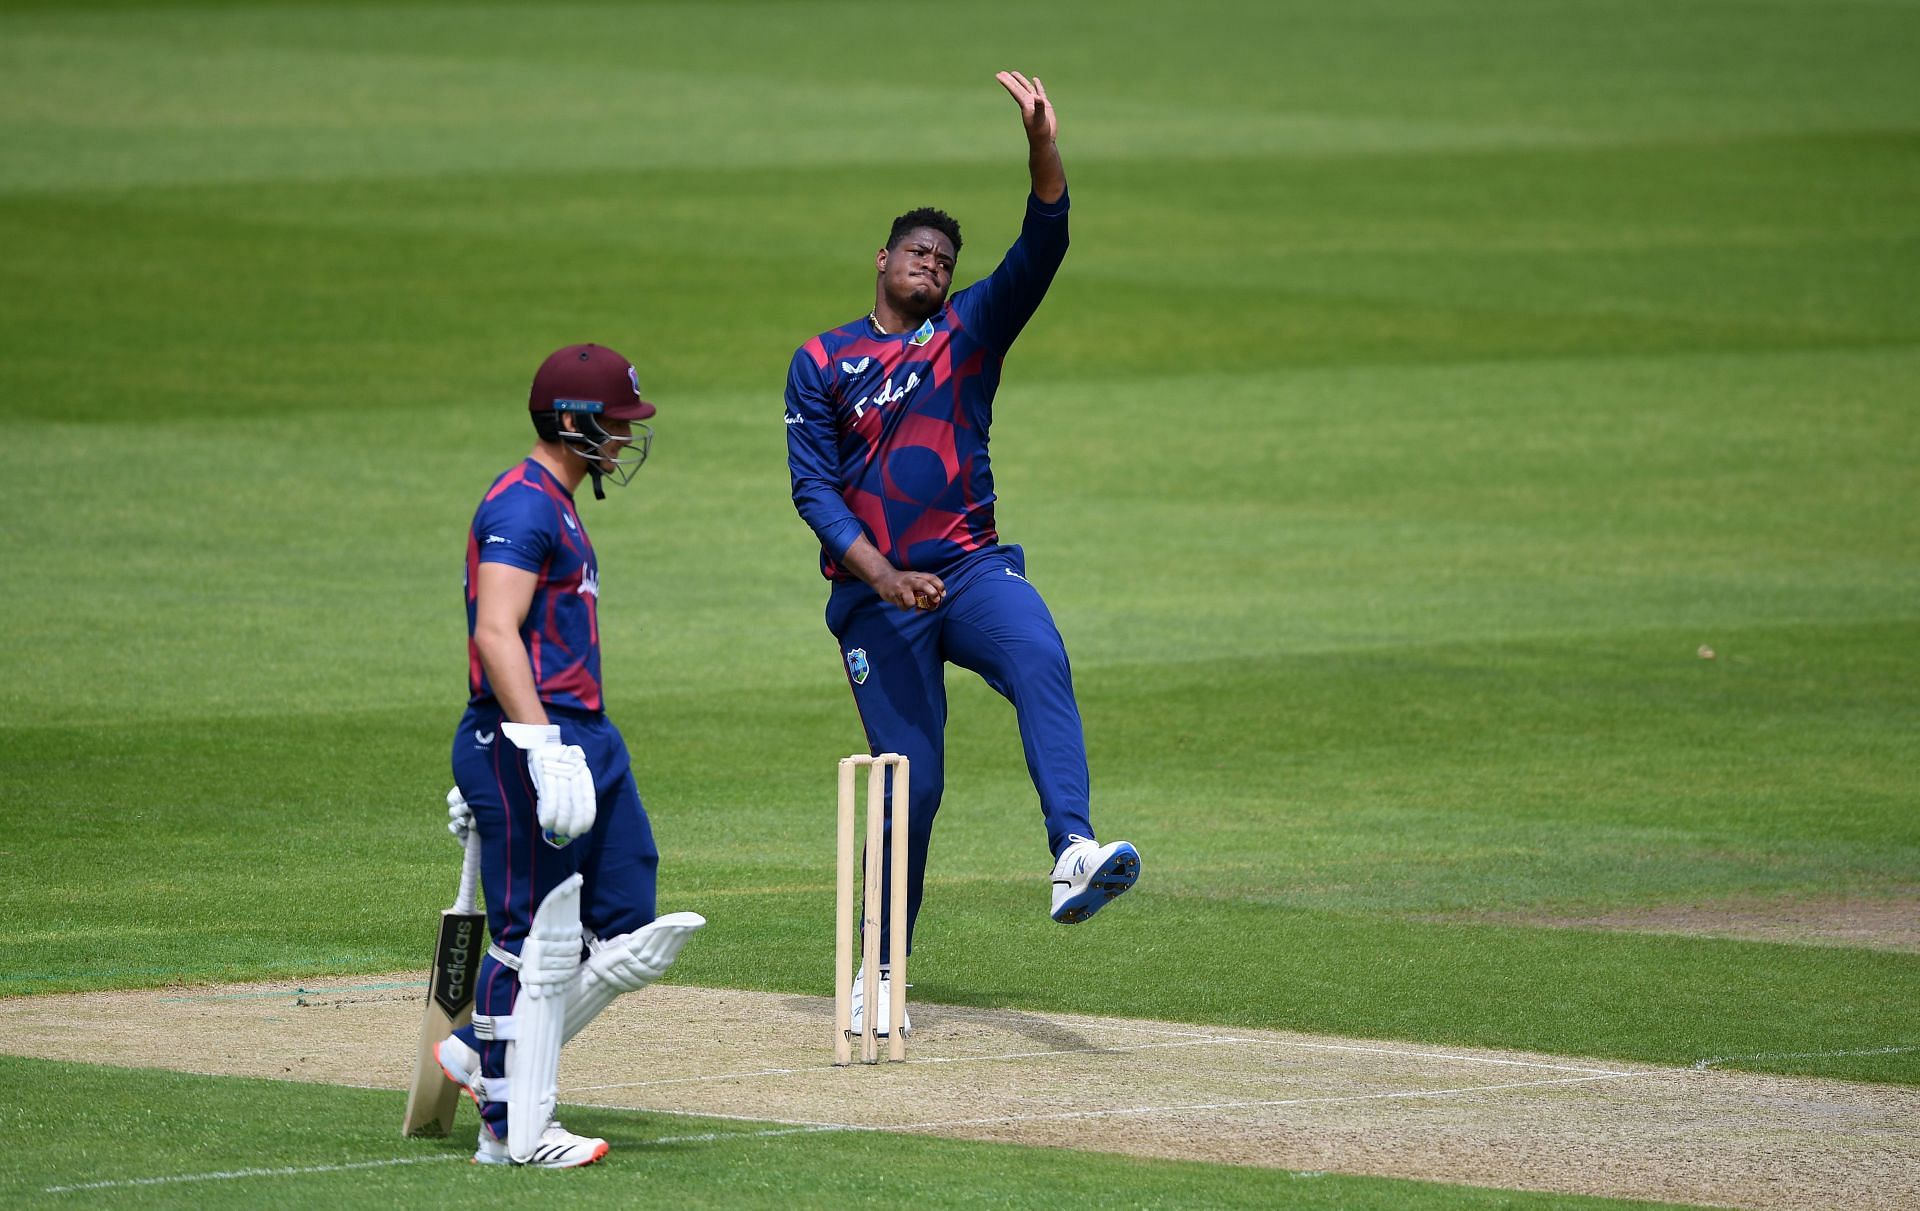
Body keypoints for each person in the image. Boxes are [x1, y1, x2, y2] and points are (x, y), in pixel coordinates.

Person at [784, 73, 1140, 1035]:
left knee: (1037, 652)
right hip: (875, 601)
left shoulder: (969, 332)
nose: (933, 265)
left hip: (973, 567)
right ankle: (881, 965)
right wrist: (881, 576)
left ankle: (1071, 849)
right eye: (917, 251)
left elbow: (1048, 242)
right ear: (882, 259)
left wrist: (1042, 147)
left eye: (945, 257)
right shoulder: (822, 361)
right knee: (916, 783)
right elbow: (813, 490)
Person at [433, 344, 704, 1168]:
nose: (624, 438)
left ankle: (486, 1059)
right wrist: (533, 747)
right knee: (534, 938)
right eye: (616, 423)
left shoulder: (559, 502)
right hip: (534, 737)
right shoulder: (522, 506)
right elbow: (494, 631)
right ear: (575, 422)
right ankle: (514, 1126)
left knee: (630, 932)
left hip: (589, 735)